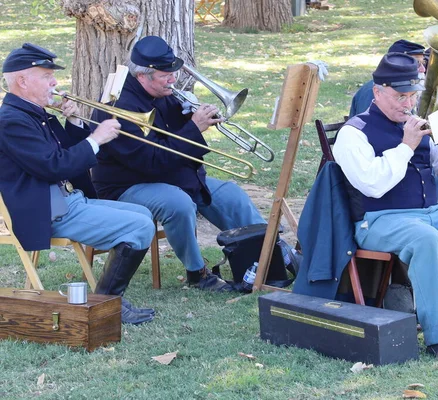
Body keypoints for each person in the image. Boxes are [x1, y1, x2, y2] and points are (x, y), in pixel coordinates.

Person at [332, 53, 438, 361]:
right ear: (377, 92)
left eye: (412, 96)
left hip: (430, 212)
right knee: (426, 239)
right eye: (400, 96)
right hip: (379, 220)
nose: (408, 104)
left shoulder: (422, 121)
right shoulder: (353, 132)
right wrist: (406, 146)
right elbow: (372, 184)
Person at [92, 36, 298, 292]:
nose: (173, 79)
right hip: (128, 184)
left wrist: (191, 115)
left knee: (231, 194)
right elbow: (150, 162)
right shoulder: (118, 107)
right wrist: (193, 128)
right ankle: (197, 273)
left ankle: (274, 254)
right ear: (143, 76)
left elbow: (178, 145)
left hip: (172, 175)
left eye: (173, 73)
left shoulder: (162, 94)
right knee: (178, 203)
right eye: (166, 75)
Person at [0, 43, 156, 324]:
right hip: (45, 211)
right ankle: (109, 303)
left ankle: (107, 298)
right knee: (140, 226)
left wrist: (72, 119)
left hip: (66, 200)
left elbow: (65, 154)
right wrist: (96, 139)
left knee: (143, 215)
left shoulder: (34, 114)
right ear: (22, 81)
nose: (54, 82)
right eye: (47, 75)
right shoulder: (12, 121)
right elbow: (54, 165)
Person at [349, 40, 427, 118]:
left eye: (423, 63)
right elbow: (368, 126)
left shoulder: (406, 89)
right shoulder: (375, 91)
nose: (423, 69)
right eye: (417, 63)